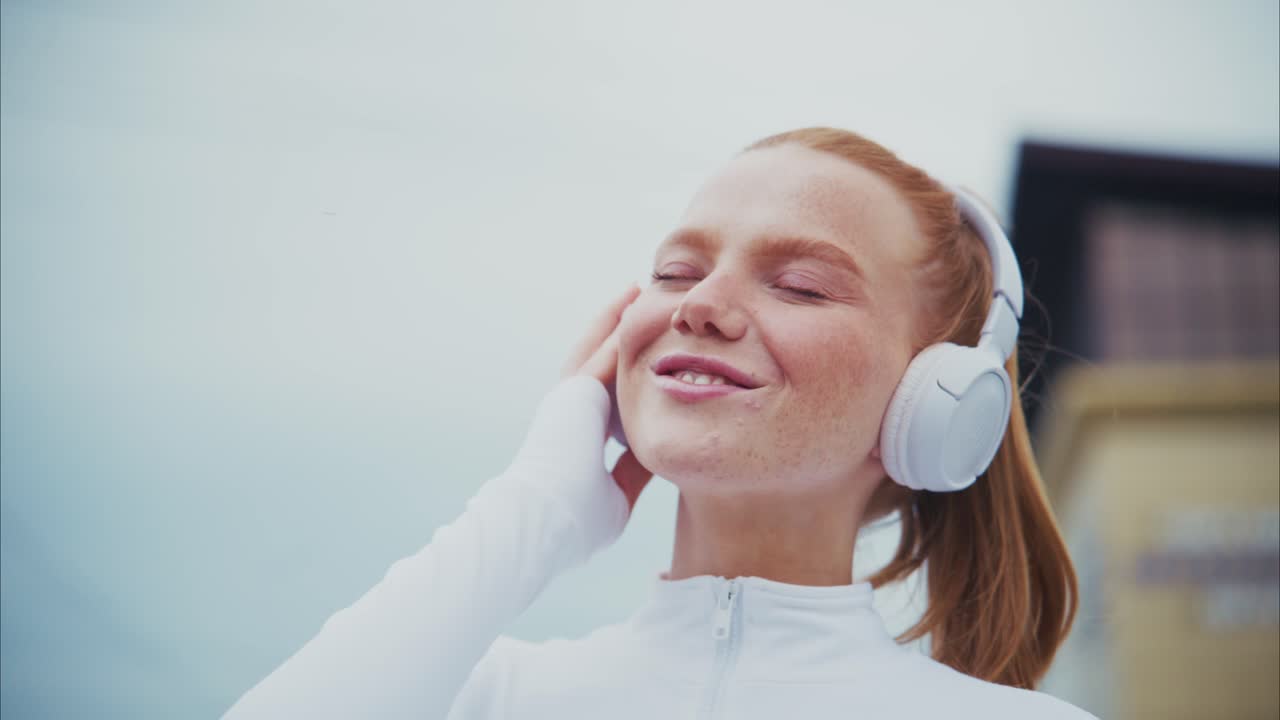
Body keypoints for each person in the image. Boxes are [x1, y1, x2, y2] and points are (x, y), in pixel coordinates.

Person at [223, 127, 1094, 719]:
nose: (703, 305)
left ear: (937, 398)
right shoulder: (481, 697)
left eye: (798, 286)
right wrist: (537, 507)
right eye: (677, 272)